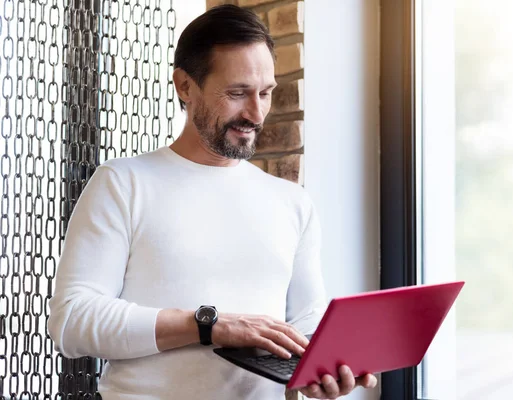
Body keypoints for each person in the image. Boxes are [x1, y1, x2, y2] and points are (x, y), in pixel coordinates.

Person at [48, 4, 377, 400]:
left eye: (266, 93)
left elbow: (305, 326)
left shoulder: (292, 202)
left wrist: (321, 373)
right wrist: (209, 325)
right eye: (237, 93)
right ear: (185, 86)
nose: (256, 113)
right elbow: (72, 322)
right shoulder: (123, 183)